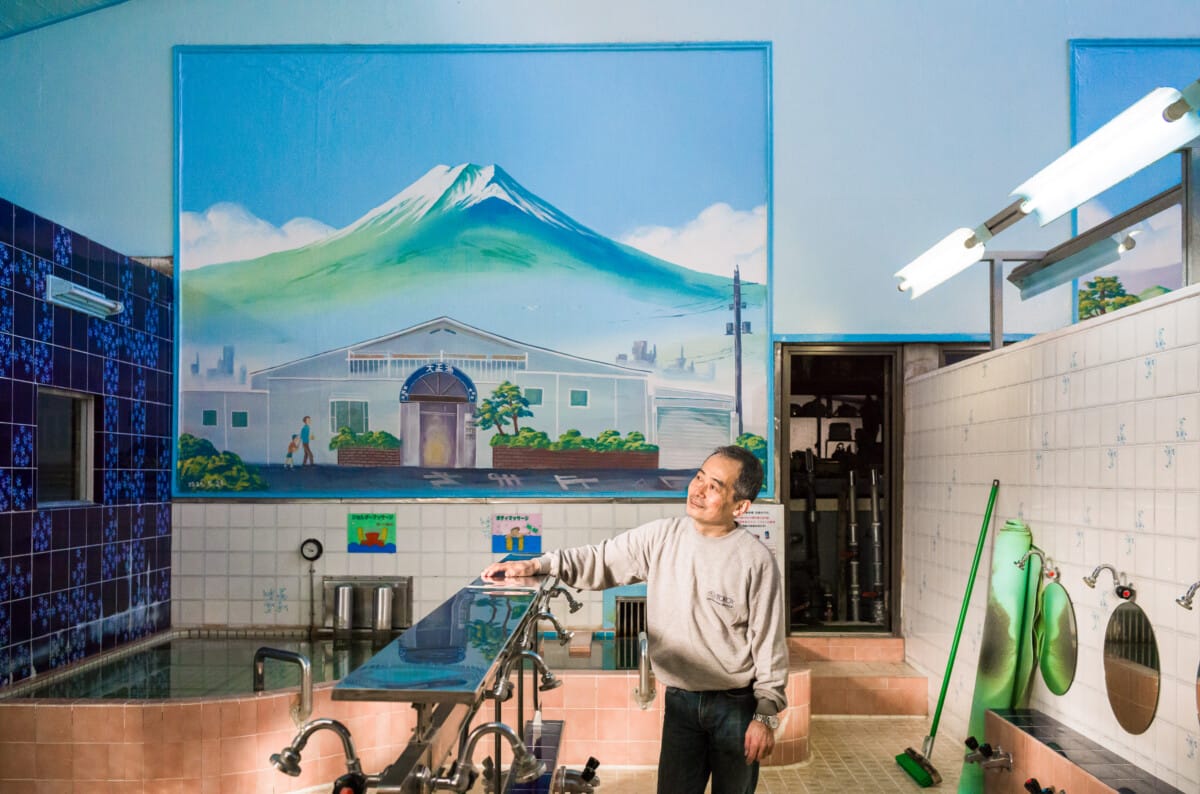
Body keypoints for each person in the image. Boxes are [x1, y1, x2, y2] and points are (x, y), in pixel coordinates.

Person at [482, 445, 786, 794]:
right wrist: (538, 564)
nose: (697, 490)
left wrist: (765, 715)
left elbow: (768, 641)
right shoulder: (663, 537)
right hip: (681, 702)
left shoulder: (754, 560)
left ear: (740, 505)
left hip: (735, 706)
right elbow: (600, 559)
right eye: (698, 477)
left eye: (714, 486)